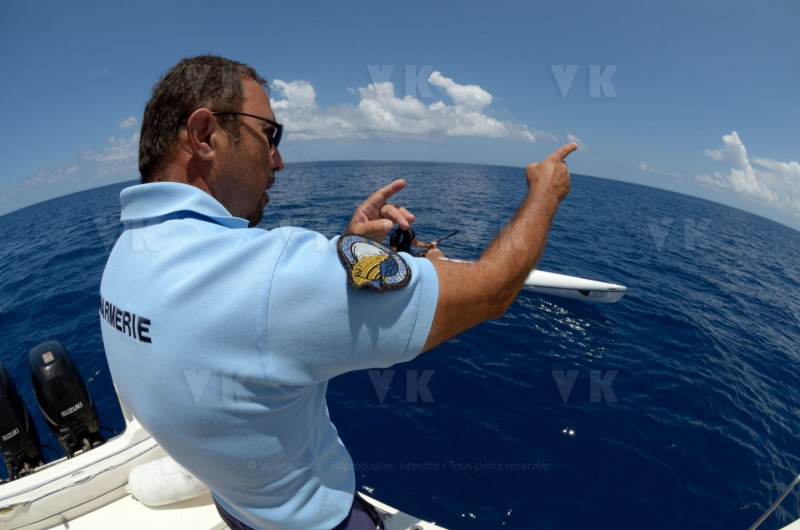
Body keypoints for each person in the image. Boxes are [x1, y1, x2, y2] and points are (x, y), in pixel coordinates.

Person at [99, 55, 575, 530]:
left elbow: (258, 321)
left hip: (237, 504)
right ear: (205, 135)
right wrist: (544, 194)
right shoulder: (271, 276)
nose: (279, 160)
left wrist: (351, 249)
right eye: (270, 134)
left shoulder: (124, 257)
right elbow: (493, 291)